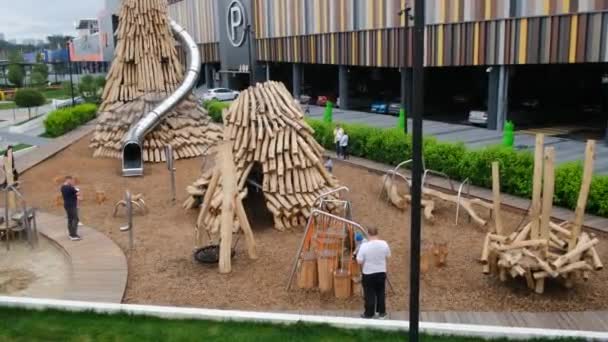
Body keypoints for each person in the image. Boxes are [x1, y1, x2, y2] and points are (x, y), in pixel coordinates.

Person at [356, 227, 390, 319]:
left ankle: (369, 314)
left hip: (368, 273)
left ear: (368, 234)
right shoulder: (384, 244)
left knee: (369, 294)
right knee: (381, 292)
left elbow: (359, 261)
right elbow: (388, 256)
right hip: (381, 272)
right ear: (377, 233)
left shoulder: (364, 246)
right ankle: (382, 313)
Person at [61, 176, 81, 241]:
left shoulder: (62, 187)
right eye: (71, 180)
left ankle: (71, 234)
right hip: (72, 205)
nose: (72, 182)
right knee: (75, 219)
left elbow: (73, 194)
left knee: (70, 219)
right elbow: (78, 193)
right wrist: (76, 191)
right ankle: (73, 235)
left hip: (67, 205)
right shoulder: (70, 188)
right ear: (68, 180)